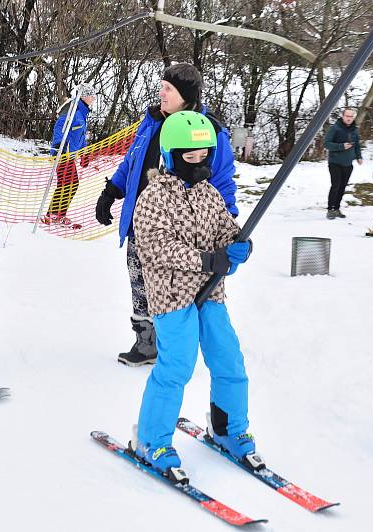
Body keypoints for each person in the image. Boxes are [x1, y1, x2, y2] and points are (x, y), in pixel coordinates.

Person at [129, 111, 255, 477]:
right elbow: (155, 248)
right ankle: (152, 439)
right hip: (172, 296)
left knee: (228, 358)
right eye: (190, 156)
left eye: (204, 156)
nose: (198, 163)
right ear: (170, 156)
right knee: (177, 365)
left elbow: (225, 230)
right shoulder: (153, 198)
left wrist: (237, 245)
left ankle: (228, 428)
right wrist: (206, 259)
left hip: (210, 292)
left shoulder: (209, 193)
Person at [94, 63, 238, 367]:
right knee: (139, 282)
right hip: (143, 221)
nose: (161, 92)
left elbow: (222, 180)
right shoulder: (152, 122)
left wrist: (225, 225)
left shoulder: (208, 131)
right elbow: (132, 162)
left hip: (183, 227)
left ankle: (174, 348)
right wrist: (112, 191)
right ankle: (146, 343)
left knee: (175, 287)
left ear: (185, 95)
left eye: (168, 88)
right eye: (162, 86)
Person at [42, 83, 96, 229]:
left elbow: (80, 137)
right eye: (91, 95)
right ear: (84, 96)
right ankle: (53, 214)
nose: (93, 98)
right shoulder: (73, 109)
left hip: (70, 155)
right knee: (68, 184)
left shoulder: (82, 113)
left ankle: (58, 214)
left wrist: (84, 154)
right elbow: (59, 126)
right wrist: (58, 144)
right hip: (62, 153)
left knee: (69, 184)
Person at [324, 108, 363, 219]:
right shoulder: (335, 128)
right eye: (347, 116)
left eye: (351, 116)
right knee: (336, 185)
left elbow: (357, 145)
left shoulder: (354, 129)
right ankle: (330, 209)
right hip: (335, 162)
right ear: (343, 116)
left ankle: (336, 208)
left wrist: (359, 157)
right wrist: (341, 146)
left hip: (348, 163)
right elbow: (326, 144)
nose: (349, 118)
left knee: (342, 187)